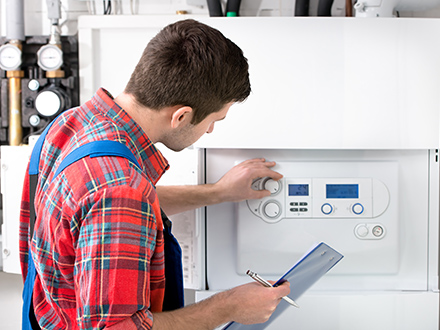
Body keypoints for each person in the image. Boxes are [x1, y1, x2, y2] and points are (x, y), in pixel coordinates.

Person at [19, 19, 289, 329]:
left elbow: (95, 208)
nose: (211, 129)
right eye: (214, 119)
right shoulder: (121, 191)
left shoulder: (71, 125)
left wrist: (218, 192)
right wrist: (227, 307)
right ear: (182, 116)